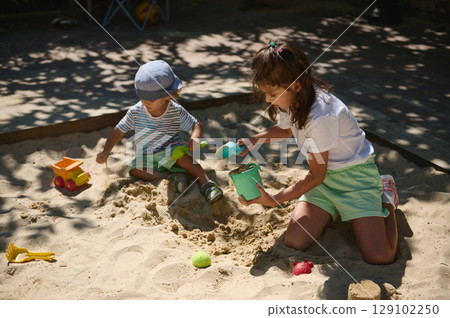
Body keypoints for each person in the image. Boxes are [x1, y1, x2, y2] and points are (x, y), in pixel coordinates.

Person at [237, 41, 399, 264]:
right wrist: (255, 139)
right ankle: (333, 210)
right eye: (265, 93)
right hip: (324, 182)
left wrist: (274, 199)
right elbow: (286, 128)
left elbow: (315, 175)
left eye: (271, 93)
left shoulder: (320, 117)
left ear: (295, 85)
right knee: (295, 240)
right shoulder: (292, 100)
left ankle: (387, 197)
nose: (267, 100)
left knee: (380, 256)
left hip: (355, 179)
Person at [96, 60, 223, 204]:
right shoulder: (136, 112)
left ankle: (207, 185)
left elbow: (196, 124)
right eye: (142, 97)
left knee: (186, 159)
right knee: (135, 169)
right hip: (147, 154)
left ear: (168, 95)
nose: (145, 102)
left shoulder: (175, 110)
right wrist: (106, 150)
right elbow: (118, 131)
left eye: (151, 99)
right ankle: (169, 178)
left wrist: (195, 137)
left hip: (171, 150)